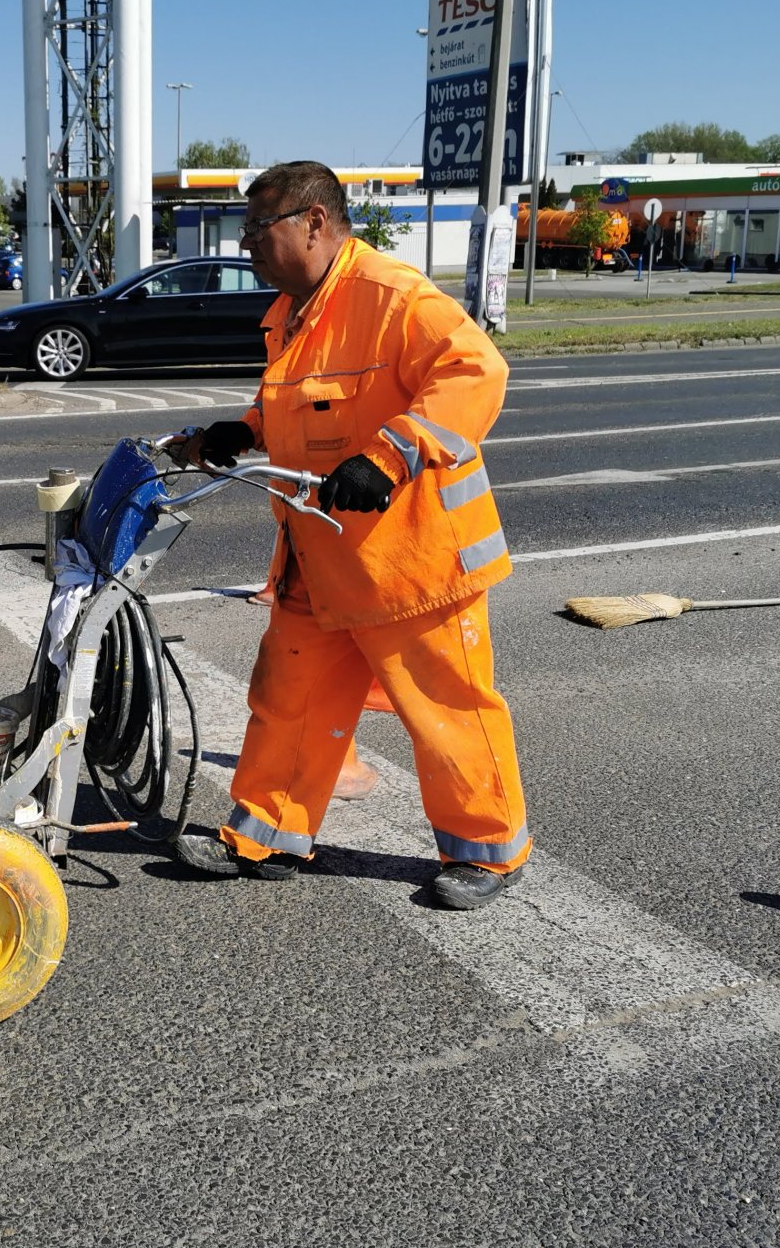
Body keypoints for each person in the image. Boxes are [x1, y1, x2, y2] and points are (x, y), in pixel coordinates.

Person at [170, 161, 529, 910]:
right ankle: (267, 835)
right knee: (288, 699)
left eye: (257, 230)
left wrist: (392, 452)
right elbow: (310, 411)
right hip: (320, 556)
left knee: (447, 710)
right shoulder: (292, 313)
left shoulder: (392, 297)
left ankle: (489, 853)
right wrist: (244, 429)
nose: (246, 247)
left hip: (414, 559)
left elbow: (476, 371)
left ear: (313, 222)